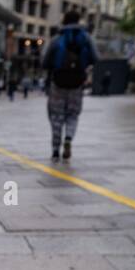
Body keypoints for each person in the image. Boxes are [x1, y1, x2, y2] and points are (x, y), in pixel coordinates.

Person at [42, 9, 98, 160]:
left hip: (58, 83)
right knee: (73, 114)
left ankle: (55, 149)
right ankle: (68, 138)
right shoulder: (86, 38)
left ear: (64, 20)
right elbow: (95, 58)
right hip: (77, 83)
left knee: (56, 116)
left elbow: (45, 62)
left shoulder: (57, 38)